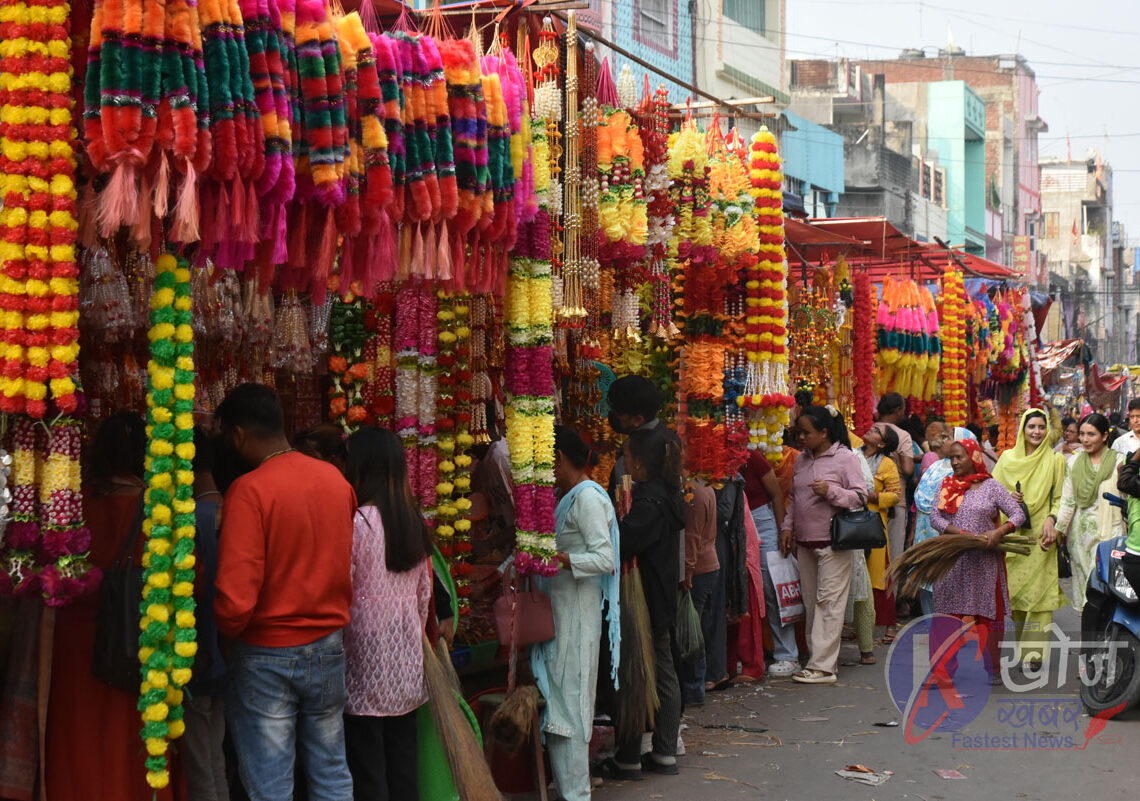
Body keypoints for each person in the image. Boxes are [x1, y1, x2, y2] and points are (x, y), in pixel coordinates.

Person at [214, 384, 356, 801]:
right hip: (328, 645)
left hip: (265, 652)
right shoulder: (334, 479)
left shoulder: (249, 490)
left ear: (238, 434)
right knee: (331, 771)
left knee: (271, 783)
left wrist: (228, 634)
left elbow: (236, 595)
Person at [46, 413, 178, 801]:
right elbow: (192, 580)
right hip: (140, 641)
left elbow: (50, 570)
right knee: (132, 739)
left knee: (79, 738)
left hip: (76, 641)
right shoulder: (161, 507)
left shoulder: (72, 503)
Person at [339, 427, 433, 801]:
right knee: (402, 765)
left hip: (364, 661)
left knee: (368, 770)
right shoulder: (412, 520)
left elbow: (341, 591)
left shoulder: (358, 523)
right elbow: (423, 595)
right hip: (406, 659)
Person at [532, 427, 619, 801]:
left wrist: (562, 560)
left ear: (559, 459)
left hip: (576, 617)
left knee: (571, 710)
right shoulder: (569, 497)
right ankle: (571, 790)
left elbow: (605, 558)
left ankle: (576, 794)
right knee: (560, 707)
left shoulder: (586, 498)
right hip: (562, 614)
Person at [606, 427, 684, 779]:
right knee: (662, 671)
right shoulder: (668, 494)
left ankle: (630, 757)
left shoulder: (648, 503)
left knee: (636, 672)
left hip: (643, 601)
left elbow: (622, 544)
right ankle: (663, 752)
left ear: (638, 463)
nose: (623, 460)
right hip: (662, 596)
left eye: (626, 454)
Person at [779, 406, 867, 684]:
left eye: (806, 433)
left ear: (824, 432)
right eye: (798, 433)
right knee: (811, 603)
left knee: (829, 603)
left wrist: (831, 492)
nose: (800, 438)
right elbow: (794, 498)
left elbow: (860, 497)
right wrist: (787, 527)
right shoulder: (802, 460)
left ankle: (823, 666)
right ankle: (818, 660)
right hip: (804, 543)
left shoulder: (845, 458)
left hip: (834, 543)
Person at [930, 440, 1026, 676]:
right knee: (946, 615)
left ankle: (992, 667)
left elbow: (1017, 513)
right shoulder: (947, 485)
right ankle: (941, 672)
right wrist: (962, 535)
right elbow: (936, 517)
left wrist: (999, 532)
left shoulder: (991, 487)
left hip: (984, 561)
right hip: (952, 559)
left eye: (959, 457)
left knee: (987, 616)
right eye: (951, 458)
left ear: (972, 457)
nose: (954, 462)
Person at [991, 409, 1068, 669]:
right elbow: (992, 493)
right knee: (1017, 597)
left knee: (1041, 595)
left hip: (1042, 536)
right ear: (1022, 429)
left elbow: (1061, 499)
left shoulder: (1056, 460)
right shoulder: (1006, 459)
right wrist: (1008, 500)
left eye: (1041, 427)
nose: (1037, 432)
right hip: (1012, 535)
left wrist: (1052, 520)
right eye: (1031, 426)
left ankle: (1034, 654)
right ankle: (1023, 644)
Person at [184, 429, 230, 801]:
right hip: (225, 651)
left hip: (197, 651)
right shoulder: (233, 509)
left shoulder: (190, 519)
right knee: (214, 757)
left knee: (201, 763)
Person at [1054, 413, 1126, 612]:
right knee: (1087, 596)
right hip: (1081, 540)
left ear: (1104, 436)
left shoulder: (1120, 463)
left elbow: (1128, 500)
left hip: (1112, 537)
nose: (1085, 440)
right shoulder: (1073, 463)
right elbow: (1068, 503)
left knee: (1110, 592)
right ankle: (1087, 640)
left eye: (1091, 435)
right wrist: (1056, 531)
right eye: (1082, 434)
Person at [912, 427, 978, 616]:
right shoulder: (936, 466)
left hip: (946, 537)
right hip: (924, 536)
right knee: (927, 585)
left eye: (949, 437)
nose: (944, 440)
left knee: (947, 585)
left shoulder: (966, 474)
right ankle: (935, 631)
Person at [742, 449, 796, 677]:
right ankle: (746, 655)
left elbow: (775, 494)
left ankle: (787, 655)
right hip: (735, 520)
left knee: (772, 587)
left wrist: (782, 529)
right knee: (742, 589)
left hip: (762, 520)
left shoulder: (752, 457)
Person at [682, 474, 721, 703]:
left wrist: (687, 573)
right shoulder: (705, 486)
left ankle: (694, 688)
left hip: (699, 568)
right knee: (695, 627)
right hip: (706, 564)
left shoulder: (694, 491)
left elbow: (692, 537)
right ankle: (694, 687)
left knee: (691, 629)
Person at [864, 425, 901, 634]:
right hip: (850, 517)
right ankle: (858, 624)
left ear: (881, 444)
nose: (871, 428)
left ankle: (886, 623)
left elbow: (895, 495)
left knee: (877, 571)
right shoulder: (853, 454)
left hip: (874, 520)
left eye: (877, 430)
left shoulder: (887, 464)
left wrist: (874, 497)